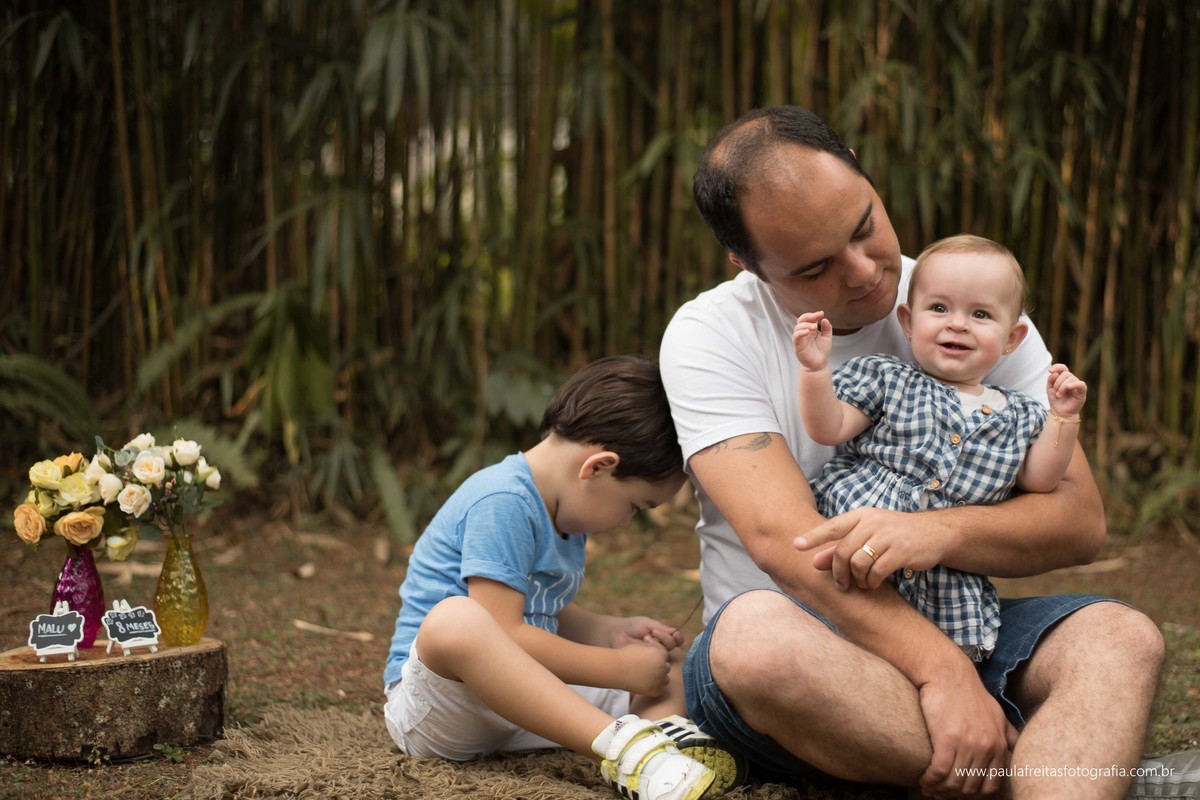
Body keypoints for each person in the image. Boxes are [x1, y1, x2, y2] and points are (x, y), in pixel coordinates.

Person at [659, 104, 1198, 798]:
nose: (863, 272)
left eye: (864, 227)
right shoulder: (710, 336)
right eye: (816, 266)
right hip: (810, 647)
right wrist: (940, 674)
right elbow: (784, 543)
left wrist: (933, 533)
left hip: (961, 623)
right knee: (754, 640)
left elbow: (1079, 521)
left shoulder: (966, 296)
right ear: (745, 262)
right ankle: (1059, 770)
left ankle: (1033, 767)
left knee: (1122, 638)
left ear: (860, 169)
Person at [382, 354, 744, 800]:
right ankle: (631, 753)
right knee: (456, 620)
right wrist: (617, 668)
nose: (626, 521)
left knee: (663, 662)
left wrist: (613, 632)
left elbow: (542, 607)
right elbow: (503, 629)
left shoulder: (565, 511)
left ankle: (665, 750)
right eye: (635, 506)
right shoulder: (503, 500)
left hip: (522, 704)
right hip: (442, 706)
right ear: (598, 467)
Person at [792, 234, 1087, 662]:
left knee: (934, 666)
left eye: (980, 314)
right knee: (839, 651)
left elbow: (1041, 479)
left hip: (943, 584)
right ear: (908, 322)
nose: (958, 324)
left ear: (1012, 338)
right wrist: (814, 368)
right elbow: (828, 426)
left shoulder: (1021, 416)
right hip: (856, 556)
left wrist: (1063, 417)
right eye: (939, 308)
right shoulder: (887, 378)